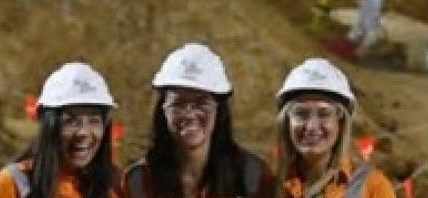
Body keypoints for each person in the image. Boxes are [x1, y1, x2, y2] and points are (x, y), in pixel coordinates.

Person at [122, 43, 281, 198]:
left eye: (201, 103)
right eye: (178, 104)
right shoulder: (137, 182)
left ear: (219, 110)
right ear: (163, 111)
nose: (190, 114)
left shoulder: (252, 177)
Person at [0, 62, 121, 198]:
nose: (83, 132)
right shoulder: (12, 185)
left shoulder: (113, 188)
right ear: (48, 126)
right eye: (71, 121)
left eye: (94, 121)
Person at [271, 58, 394, 198]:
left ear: (341, 122)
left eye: (324, 113)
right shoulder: (268, 184)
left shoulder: (373, 187)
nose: (311, 126)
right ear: (287, 122)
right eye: (301, 113)